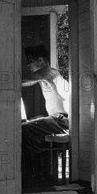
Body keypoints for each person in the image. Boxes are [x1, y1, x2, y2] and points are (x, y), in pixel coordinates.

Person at [21, 45, 70, 184]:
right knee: (27, 124)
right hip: (57, 118)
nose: (29, 65)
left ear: (41, 60)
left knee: (24, 129)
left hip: (61, 120)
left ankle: (36, 174)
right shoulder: (49, 75)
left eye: (31, 61)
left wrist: (8, 83)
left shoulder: (49, 72)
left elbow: (30, 80)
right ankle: (41, 174)